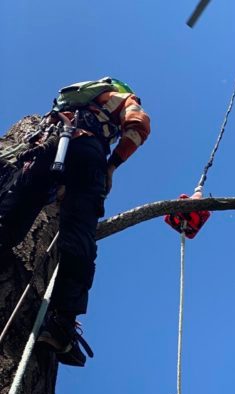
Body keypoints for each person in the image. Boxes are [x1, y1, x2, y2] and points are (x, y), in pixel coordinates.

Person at [0, 77, 150, 366]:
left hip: (44, 150)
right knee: (79, 233)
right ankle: (61, 324)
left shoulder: (70, 105)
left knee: (11, 215)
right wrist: (112, 164)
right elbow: (138, 125)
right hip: (86, 151)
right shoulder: (120, 98)